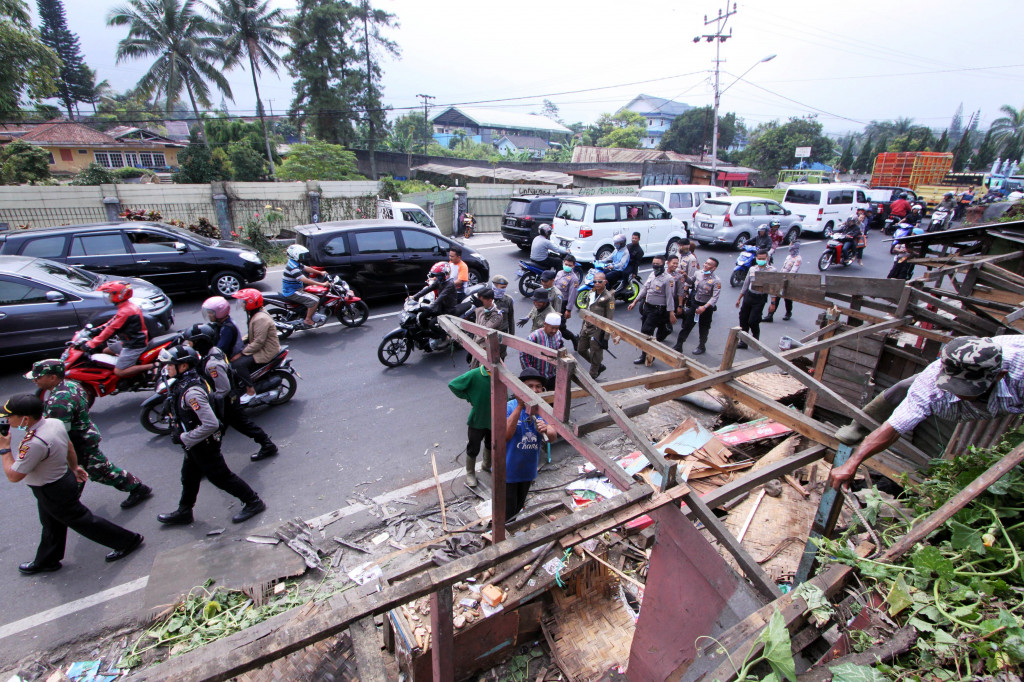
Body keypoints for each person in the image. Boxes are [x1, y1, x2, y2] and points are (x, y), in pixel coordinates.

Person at [829, 336, 1024, 490]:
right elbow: (895, 427)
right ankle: (858, 426)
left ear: (999, 376)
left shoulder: (1019, 374)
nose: (955, 392)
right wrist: (853, 462)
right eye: (952, 384)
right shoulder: (932, 381)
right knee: (906, 387)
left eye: (964, 389)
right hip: (931, 386)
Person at [1, 394, 144, 575]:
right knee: (51, 522)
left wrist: (4, 449)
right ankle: (47, 559)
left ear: (25, 418)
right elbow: (69, 446)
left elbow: (13, 476)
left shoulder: (34, 443)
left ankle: (128, 540)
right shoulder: (53, 423)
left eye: (10, 416)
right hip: (61, 479)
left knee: (82, 520)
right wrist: (74, 467)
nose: (6, 420)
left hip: (51, 489)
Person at [156, 345, 266, 526]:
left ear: (183, 366)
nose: (166, 369)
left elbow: (211, 424)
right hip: (195, 444)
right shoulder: (185, 383)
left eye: (170, 365)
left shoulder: (192, 392)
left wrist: (184, 437)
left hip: (203, 444)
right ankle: (185, 511)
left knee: (221, 477)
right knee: (189, 476)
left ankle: (253, 502)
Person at [26, 360, 152, 509]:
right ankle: (70, 502)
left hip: (78, 441)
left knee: (98, 470)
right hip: (83, 435)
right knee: (87, 470)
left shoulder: (59, 402)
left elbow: (59, 434)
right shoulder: (71, 385)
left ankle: (137, 488)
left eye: (38, 377)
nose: (35, 380)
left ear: (52, 377)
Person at [184, 324, 278, 462]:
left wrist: (208, 400)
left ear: (200, 342)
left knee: (229, 428)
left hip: (226, 402)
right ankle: (267, 444)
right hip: (225, 401)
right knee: (222, 431)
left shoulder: (213, 364)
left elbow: (223, 389)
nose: (190, 344)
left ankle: (267, 445)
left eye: (192, 342)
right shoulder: (211, 352)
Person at [505, 368, 559, 520]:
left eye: (537, 387)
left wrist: (547, 429)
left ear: (543, 390)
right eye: (529, 386)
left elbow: (553, 436)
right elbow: (505, 435)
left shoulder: (543, 410)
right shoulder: (510, 407)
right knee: (506, 515)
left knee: (516, 509)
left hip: (527, 472)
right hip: (507, 473)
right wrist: (520, 406)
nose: (534, 390)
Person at [86, 281, 153, 379]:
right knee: (106, 351)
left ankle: (152, 366)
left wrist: (91, 344)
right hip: (128, 341)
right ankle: (127, 366)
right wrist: (96, 330)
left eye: (110, 294)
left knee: (119, 371)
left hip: (134, 344)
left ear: (119, 295)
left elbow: (110, 330)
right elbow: (111, 323)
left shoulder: (126, 311)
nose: (108, 297)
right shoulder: (125, 307)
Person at [230, 289, 282, 405]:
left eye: (243, 302)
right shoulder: (255, 314)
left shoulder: (260, 318)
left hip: (266, 350)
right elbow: (252, 334)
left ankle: (250, 391)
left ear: (251, 303)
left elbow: (258, 342)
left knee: (238, 364)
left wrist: (241, 353)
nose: (241, 304)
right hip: (259, 346)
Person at [448, 365, 492, 487]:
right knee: (473, 447)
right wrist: (469, 397)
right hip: (477, 420)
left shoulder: (500, 373)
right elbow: (453, 385)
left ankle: (487, 465)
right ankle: (470, 473)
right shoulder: (475, 374)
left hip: (494, 419)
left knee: (491, 443)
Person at [629, 255, 676, 366]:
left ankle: (647, 355)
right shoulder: (652, 274)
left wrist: (671, 313)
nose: (655, 265)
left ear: (663, 264)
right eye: (653, 263)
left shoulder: (668, 279)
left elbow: (670, 297)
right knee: (644, 332)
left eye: (657, 264)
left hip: (658, 310)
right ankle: (649, 351)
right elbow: (645, 289)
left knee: (646, 332)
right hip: (647, 307)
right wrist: (635, 301)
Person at [673, 257, 721, 355]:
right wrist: (686, 276)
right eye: (705, 263)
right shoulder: (698, 273)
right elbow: (691, 282)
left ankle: (701, 346)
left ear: (714, 268)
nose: (705, 265)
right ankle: (679, 345)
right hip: (695, 304)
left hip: (706, 307)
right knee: (687, 325)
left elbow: (714, 297)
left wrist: (704, 307)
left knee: (704, 328)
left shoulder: (716, 281)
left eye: (709, 264)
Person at [577, 271, 614, 378]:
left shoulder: (609, 297)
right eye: (595, 281)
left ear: (605, 282)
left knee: (595, 353)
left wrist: (605, 338)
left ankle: (593, 373)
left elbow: (609, 319)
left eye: (599, 281)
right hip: (587, 326)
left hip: (598, 330)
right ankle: (598, 365)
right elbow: (587, 310)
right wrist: (582, 327)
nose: (597, 283)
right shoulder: (591, 292)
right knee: (581, 349)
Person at [735, 250, 775, 348]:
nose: (761, 260)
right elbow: (746, 284)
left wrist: (773, 303)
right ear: (756, 258)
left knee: (753, 320)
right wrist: (739, 298)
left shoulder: (772, 271)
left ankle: (755, 339)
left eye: (763, 259)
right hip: (749, 296)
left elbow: (773, 287)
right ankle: (743, 342)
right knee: (743, 319)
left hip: (760, 298)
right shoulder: (752, 269)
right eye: (759, 258)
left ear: (767, 258)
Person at [281, 244, 323, 329]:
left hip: (296, 289)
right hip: (292, 292)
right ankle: (308, 320)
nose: (303, 257)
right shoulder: (293, 267)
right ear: (295, 255)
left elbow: (307, 268)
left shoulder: (295, 263)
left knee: (313, 293)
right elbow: (304, 280)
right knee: (315, 300)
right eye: (301, 255)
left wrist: (320, 272)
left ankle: (305, 314)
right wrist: (322, 284)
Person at [522, 313, 564, 391]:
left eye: (557, 328)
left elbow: (560, 346)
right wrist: (530, 372)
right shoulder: (534, 337)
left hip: (552, 375)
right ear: (545, 324)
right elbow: (523, 354)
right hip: (538, 376)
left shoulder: (558, 334)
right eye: (552, 328)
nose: (554, 331)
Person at [764, 242, 802, 323]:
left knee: (787, 298)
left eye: (791, 246)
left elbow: (793, 271)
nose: (790, 248)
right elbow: (783, 268)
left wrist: (785, 278)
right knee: (777, 296)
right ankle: (770, 315)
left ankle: (788, 313)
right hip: (781, 278)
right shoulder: (788, 256)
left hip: (790, 280)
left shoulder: (798, 259)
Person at [553, 255, 580, 350]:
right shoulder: (559, 273)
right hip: (554, 302)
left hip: (563, 305)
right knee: (552, 324)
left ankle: (573, 338)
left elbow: (572, 295)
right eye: (566, 264)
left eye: (570, 265)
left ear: (574, 265)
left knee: (560, 327)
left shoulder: (574, 279)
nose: (567, 266)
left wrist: (568, 310)